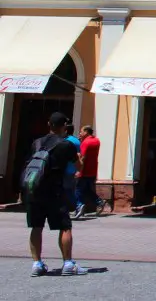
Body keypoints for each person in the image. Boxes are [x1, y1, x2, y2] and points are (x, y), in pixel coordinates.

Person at [23, 112, 86, 277]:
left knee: (36, 227)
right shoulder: (66, 145)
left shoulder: (36, 143)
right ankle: (67, 263)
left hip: (34, 190)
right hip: (55, 191)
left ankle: (37, 264)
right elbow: (79, 167)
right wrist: (80, 158)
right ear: (64, 127)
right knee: (65, 227)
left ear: (48, 124)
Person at [73, 126, 104, 219]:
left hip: (84, 170)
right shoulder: (96, 141)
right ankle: (99, 201)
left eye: (81, 132)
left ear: (86, 132)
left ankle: (79, 206)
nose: (79, 134)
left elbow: (83, 157)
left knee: (78, 189)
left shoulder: (86, 142)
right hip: (93, 169)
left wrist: (79, 170)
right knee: (87, 189)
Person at [62, 125, 81, 216]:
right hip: (74, 168)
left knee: (66, 190)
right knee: (70, 189)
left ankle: (78, 205)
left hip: (66, 169)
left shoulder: (67, 141)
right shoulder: (76, 140)